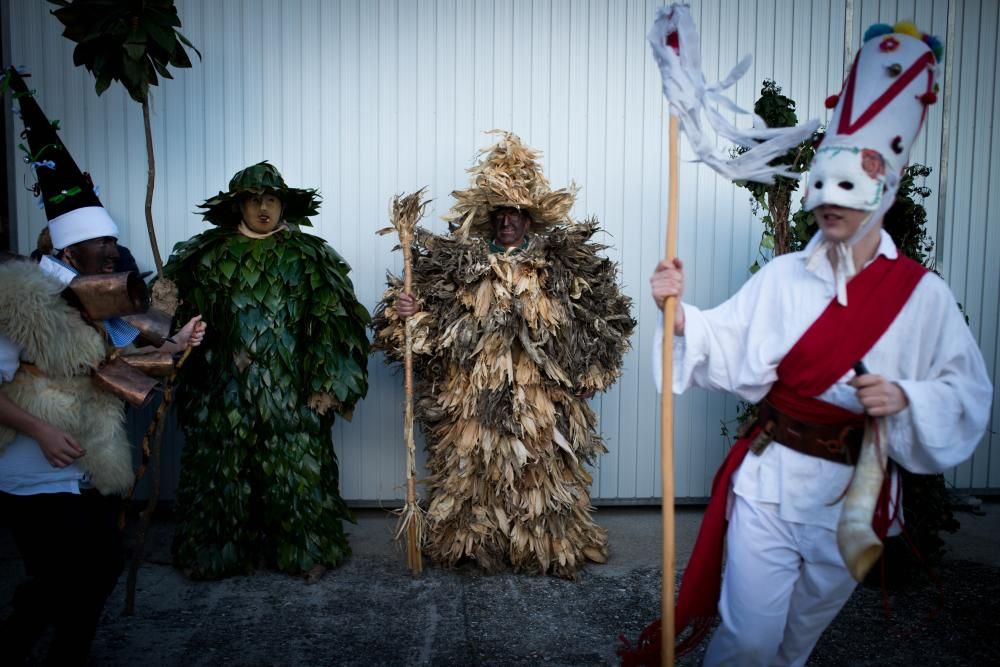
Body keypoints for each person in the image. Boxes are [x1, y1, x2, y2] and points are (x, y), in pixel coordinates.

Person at [641, 22, 992, 666]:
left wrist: (905, 397)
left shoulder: (923, 298)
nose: (831, 206)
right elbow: (728, 340)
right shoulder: (781, 279)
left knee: (795, 645)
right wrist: (680, 312)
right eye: (822, 191)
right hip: (771, 485)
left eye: (849, 192)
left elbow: (965, 392)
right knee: (747, 639)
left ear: (882, 193)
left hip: (853, 498)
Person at [0, 67, 205, 666]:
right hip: (33, 464)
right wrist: (39, 428)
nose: (114, 254)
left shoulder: (102, 297)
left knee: (93, 568)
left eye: (114, 245)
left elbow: (136, 357)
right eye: (103, 246)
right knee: (71, 574)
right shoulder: (19, 297)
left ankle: (49, 648)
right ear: (66, 250)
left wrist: (181, 340)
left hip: (91, 456)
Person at [372, 131, 635, 578]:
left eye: (516, 213)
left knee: (539, 470)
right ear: (490, 219)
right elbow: (424, 327)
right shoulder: (460, 264)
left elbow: (605, 319)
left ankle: (541, 548)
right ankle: (474, 546)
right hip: (474, 394)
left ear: (529, 219)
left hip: (541, 398)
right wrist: (408, 311)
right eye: (500, 213)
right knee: (473, 469)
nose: (508, 221)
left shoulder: (561, 265)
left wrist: (591, 374)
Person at [165, 161, 370, 581]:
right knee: (219, 470)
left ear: (283, 206)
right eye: (255, 200)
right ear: (238, 205)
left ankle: (305, 549)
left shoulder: (309, 257)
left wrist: (327, 384)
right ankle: (213, 553)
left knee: (296, 470)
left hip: (290, 392)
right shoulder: (205, 256)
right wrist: (167, 313)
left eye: (272, 200)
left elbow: (334, 323)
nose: (264, 208)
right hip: (222, 391)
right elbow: (171, 313)